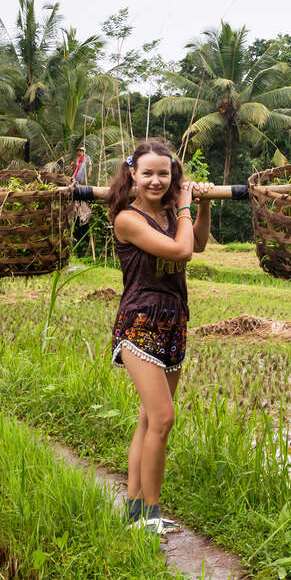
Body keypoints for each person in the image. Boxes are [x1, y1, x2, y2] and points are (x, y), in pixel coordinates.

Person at [106, 138, 212, 535]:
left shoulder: (171, 212)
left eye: (163, 174)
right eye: (148, 173)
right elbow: (181, 252)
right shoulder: (127, 219)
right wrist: (184, 205)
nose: (156, 181)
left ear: (173, 176)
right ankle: (151, 514)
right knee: (164, 418)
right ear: (132, 174)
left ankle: (135, 511)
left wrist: (201, 206)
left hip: (174, 320)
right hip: (140, 323)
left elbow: (197, 243)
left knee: (150, 419)